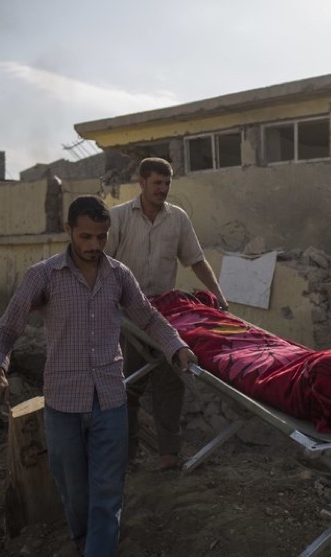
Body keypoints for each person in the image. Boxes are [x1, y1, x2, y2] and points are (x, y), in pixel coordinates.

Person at [0, 195, 197, 557]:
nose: (95, 245)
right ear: (68, 230)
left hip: (110, 401)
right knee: (75, 493)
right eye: (86, 237)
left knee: (107, 494)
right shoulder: (43, 275)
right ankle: (84, 543)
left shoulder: (118, 275)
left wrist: (176, 346)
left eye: (101, 237)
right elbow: (6, 329)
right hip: (63, 404)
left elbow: (148, 317)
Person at [105, 156, 228, 470]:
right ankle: (126, 458)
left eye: (167, 183)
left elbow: (196, 259)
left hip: (164, 316)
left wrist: (218, 294)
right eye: (157, 183)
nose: (162, 189)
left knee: (170, 383)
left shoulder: (178, 218)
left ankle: (168, 456)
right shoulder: (118, 217)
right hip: (127, 316)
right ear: (142, 183)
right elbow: (102, 264)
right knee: (127, 386)